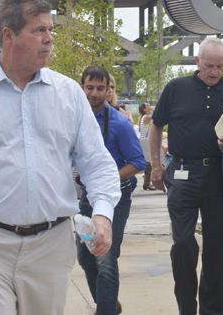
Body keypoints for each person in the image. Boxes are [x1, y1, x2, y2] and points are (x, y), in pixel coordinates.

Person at [0, 0, 121, 315]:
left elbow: (97, 163)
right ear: (9, 35)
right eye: (39, 31)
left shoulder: (68, 94)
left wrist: (102, 214)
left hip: (51, 247)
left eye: (50, 30)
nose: (50, 39)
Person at [149, 37, 223, 315]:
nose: (214, 72)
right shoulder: (176, 88)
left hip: (220, 176)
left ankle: (213, 310)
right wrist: (157, 166)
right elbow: (156, 127)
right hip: (182, 173)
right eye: (209, 65)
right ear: (197, 61)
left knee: (218, 249)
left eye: (220, 66)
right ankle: (186, 308)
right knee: (183, 244)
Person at [77, 66, 146, 315]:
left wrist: (105, 180)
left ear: (108, 90)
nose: (94, 93)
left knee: (105, 258)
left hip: (117, 195)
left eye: (99, 88)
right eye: (89, 87)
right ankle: (109, 304)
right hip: (87, 197)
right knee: (85, 257)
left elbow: (138, 162)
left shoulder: (119, 122)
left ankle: (105, 311)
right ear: (82, 87)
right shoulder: (76, 119)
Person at [138, 102, 154, 190]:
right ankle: (146, 183)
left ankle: (147, 182)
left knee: (149, 163)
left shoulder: (145, 117)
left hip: (145, 142)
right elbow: (157, 117)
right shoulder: (147, 117)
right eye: (147, 105)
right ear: (144, 109)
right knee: (149, 163)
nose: (149, 105)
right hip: (146, 142)